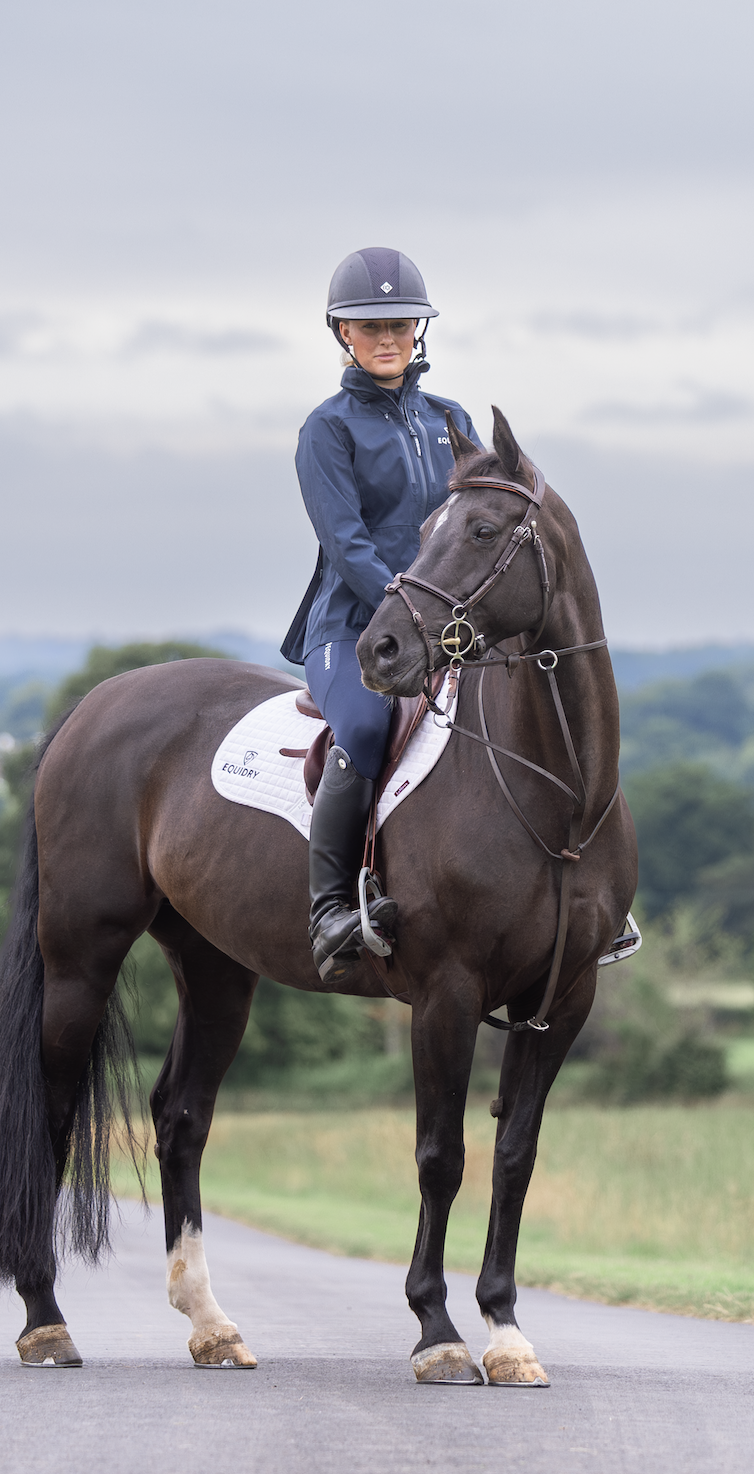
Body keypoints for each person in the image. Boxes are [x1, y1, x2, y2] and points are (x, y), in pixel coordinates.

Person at [281, 247, 481, 983]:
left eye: (399, 324)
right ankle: (328, 908)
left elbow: (477, 521)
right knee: (365, 727)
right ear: (342, 334)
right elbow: (347, 543)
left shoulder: (450, 419)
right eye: (370, 327)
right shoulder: (327, 430)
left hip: (447, 630)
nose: (387, 338)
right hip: (353, 629)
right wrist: (418, 616)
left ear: (417, 331)